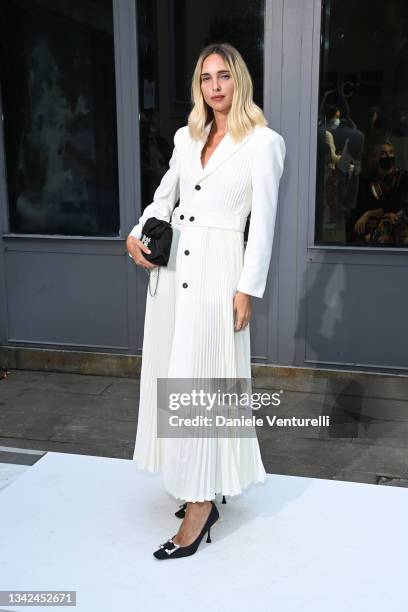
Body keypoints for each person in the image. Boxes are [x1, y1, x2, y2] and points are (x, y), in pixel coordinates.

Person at [126, 42, 285, 559]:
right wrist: (137, 232)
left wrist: (247, 288)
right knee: (176, 379)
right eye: (205, 78)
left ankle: (199, 506)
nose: (215, 87)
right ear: (198, 86)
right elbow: (164, 195)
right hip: (174, 275)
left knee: (205, 383)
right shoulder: (186, 136)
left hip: (219, 272)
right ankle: (198, 483)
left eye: (224, 76)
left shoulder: (263, 143)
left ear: (239, 81)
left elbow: (262, 225)